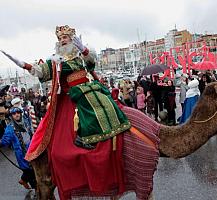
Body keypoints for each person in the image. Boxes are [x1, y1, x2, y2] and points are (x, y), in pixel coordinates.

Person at [1, 25, 131, 199]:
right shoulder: (56, 60)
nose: (63, 40)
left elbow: (91, 63)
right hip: (72, 96)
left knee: (108, 106)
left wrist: (84, 49)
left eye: (66, 37)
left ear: (72, 38)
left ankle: (115, 139)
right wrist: (23, 64)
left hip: (90, 90)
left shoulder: (80, 54)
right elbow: (42, 72)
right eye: (61, 38)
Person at [0, 107, 36, 190]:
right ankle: (36, 190)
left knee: (33, 170)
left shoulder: (26, 122)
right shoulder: (10, 128)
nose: (16, 115)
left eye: (18, 112)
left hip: (31, 151)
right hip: (22, 155)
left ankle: (23, 180)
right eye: (14, 113)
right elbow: (5, 140)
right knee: (29, 171)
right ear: (11, 116)